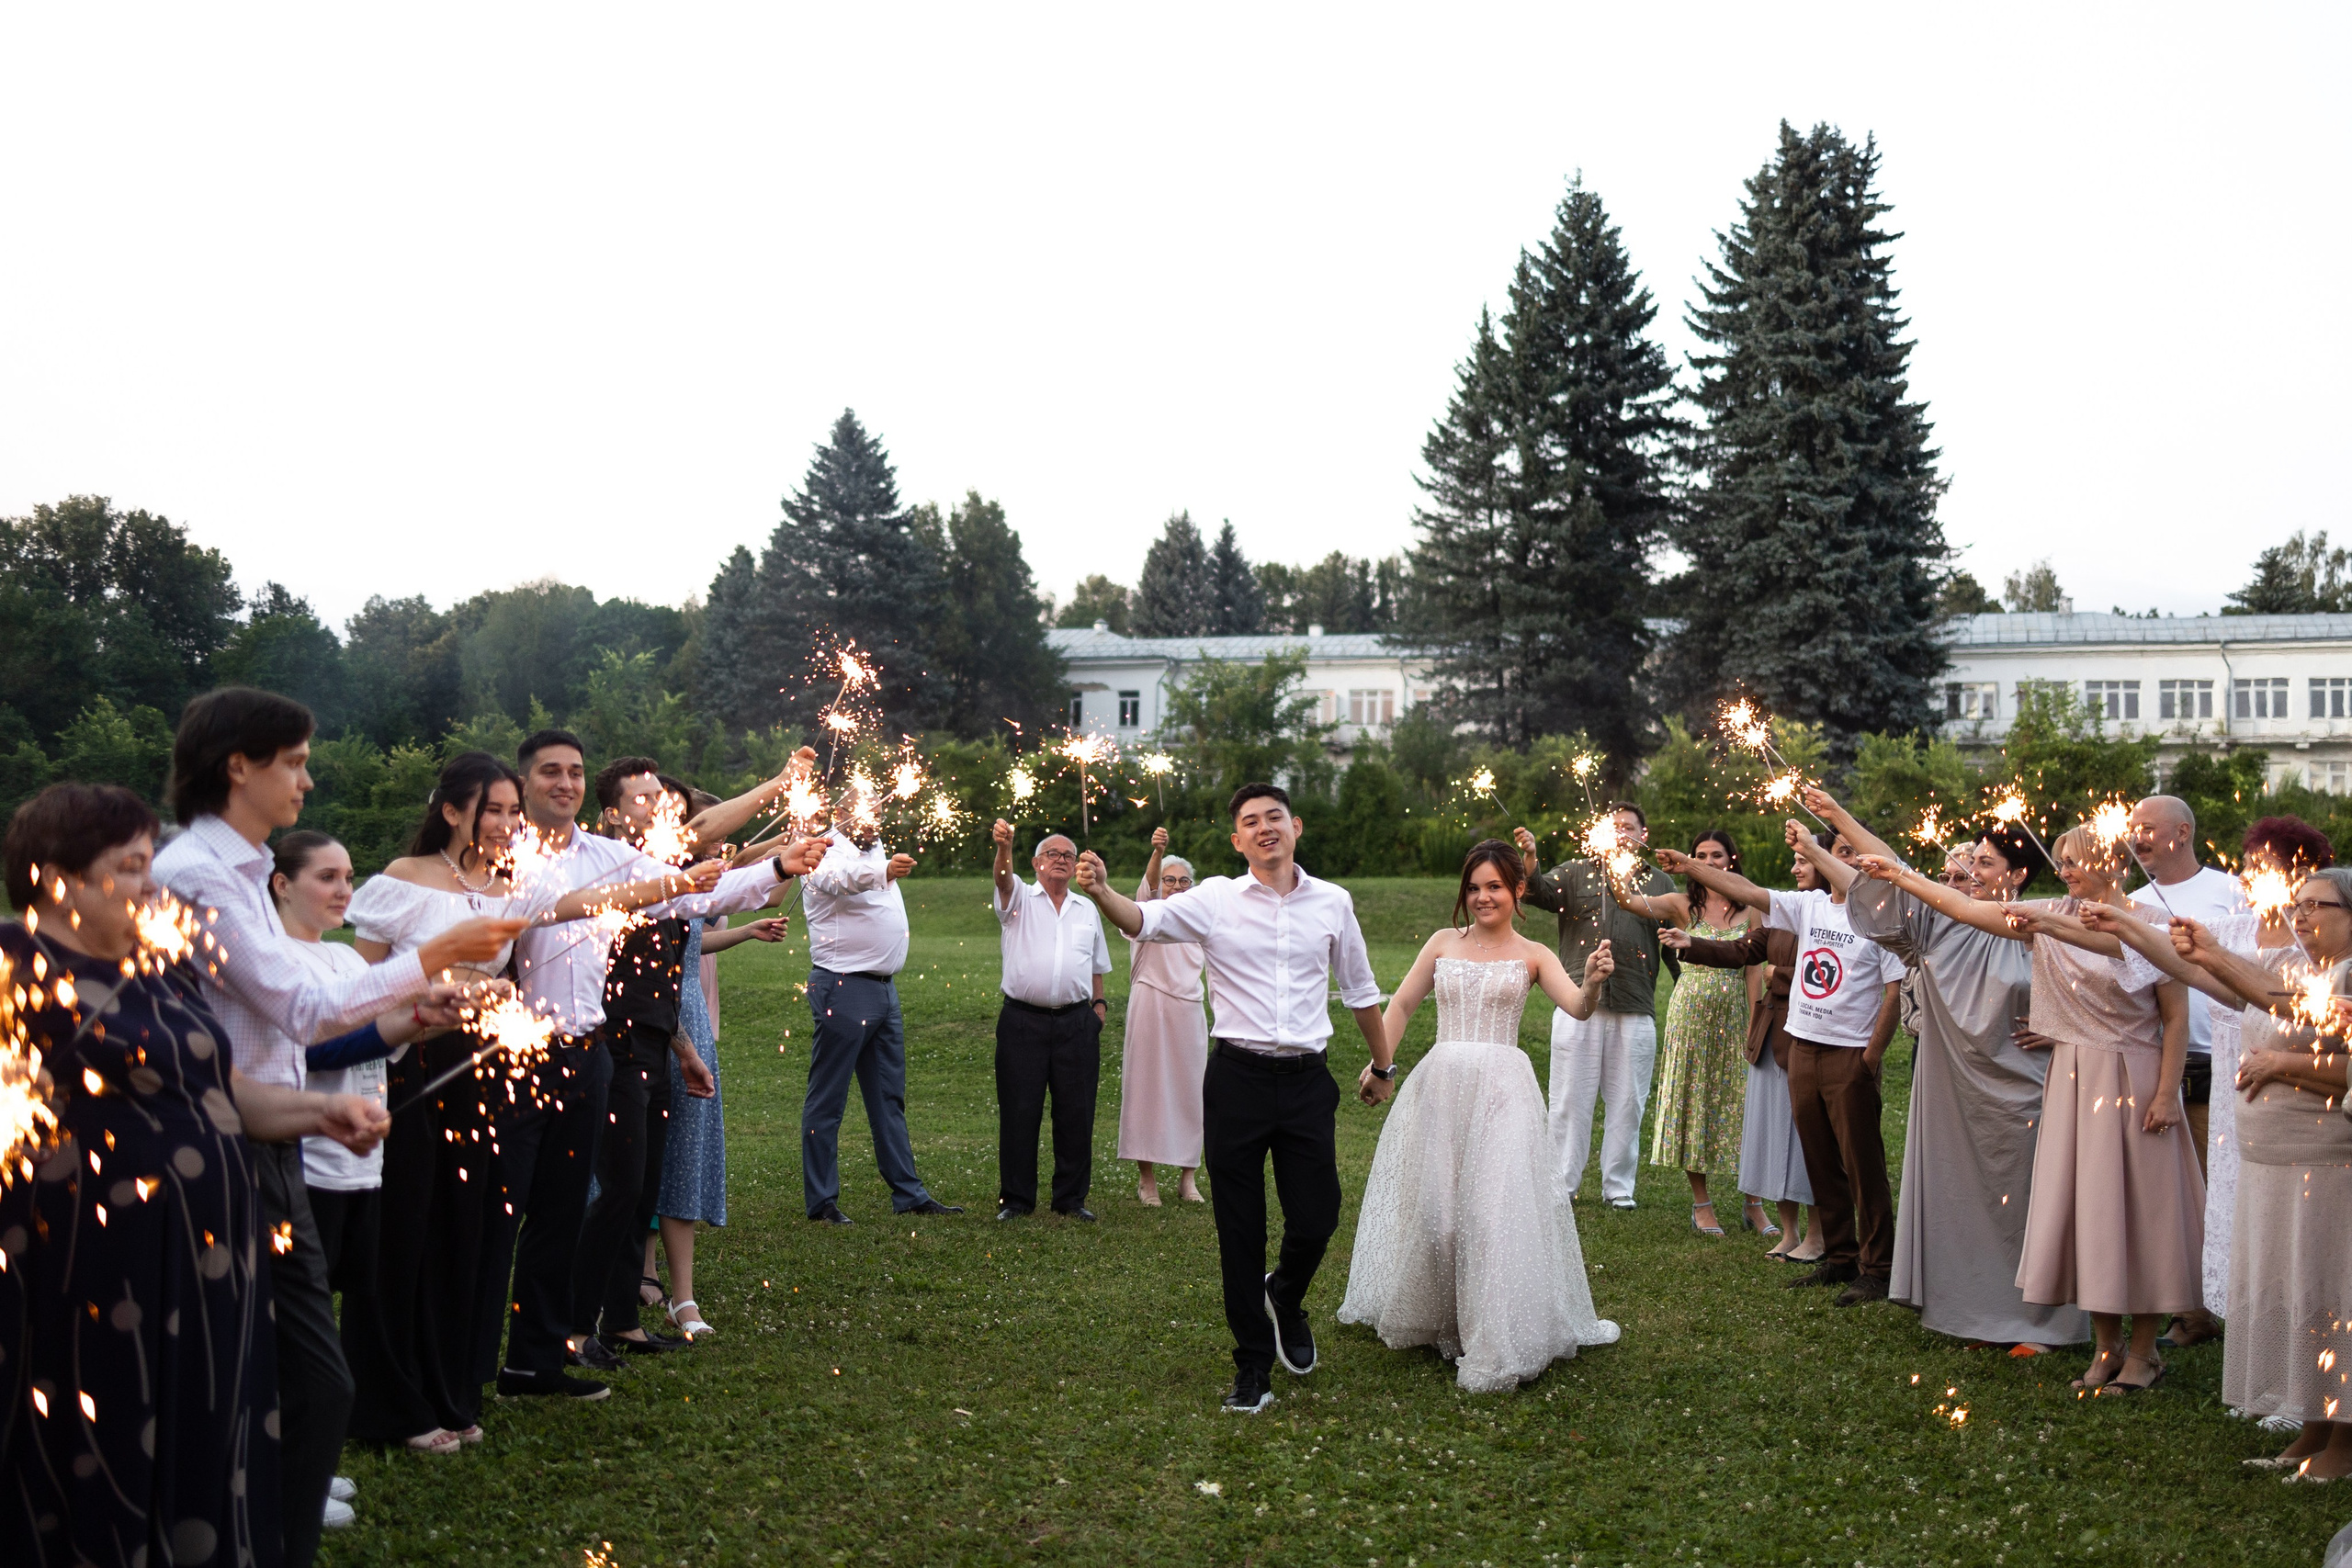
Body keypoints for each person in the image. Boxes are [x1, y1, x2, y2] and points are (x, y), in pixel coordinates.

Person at [152, 689, 516, 1567]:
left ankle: (260, 1527)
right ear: (239, 764)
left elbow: (306, 1010)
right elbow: (303, 1000)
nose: (308, 781)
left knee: (289, 1376)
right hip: (225, 1154)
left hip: (270, 1143)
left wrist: (414, 1000)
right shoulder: (197, 876)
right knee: (298, 1380)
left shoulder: (233, 871)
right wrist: (434, 956)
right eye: (297, 761)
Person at [2, 782, 389, 1568]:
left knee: (200, 1430)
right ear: (57, 879)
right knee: (101, 1442)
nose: (153, 883)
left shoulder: (156, 967)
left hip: (204, 1269)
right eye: (134, 866)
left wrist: (316, 1114)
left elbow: (217, 1089)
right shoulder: (16, 967)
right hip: (90, 1278)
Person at [350, 751, 712, 1434]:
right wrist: (423, 997)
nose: (507, 822)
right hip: (413, 1065)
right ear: (452, 811)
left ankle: (451, 1388)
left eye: (513, 811)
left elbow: (582, 902)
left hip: (481, 1071)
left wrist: (688, 876)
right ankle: (387, 1400)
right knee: (408, 1235)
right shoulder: (404, 878)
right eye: (495, 809)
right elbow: (357, 989)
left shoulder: (508, 883)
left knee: (468, 1232)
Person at [479, 731, 816, 1402]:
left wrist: (778, 870)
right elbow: (666, 879)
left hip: (589, 1051)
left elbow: (685, 900)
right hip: (517, 1053)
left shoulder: (606, 854)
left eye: (575, 770)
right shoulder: (509, 857)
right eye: (551, 771)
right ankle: (475, 1358)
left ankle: (538, 1358)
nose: (566, 782)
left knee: (565, 1210)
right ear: (523, 784)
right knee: (505, 1214)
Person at [1075, 783, 1389, 1416]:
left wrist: (1384, 1064)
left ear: (1295, 825)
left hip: (1306, 1082)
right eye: (1251, 821)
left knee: (1318, 1216)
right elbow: (1144, 921)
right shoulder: (1213, 897)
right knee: (1239, 1231)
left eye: (1275, 816)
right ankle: (1252, 1367)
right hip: (1237, 1081)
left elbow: (1359, 988)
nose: (1265, 827)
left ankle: (1287, 1293)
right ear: (1237, 839)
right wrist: (1102, 890)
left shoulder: (1333, 901)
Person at [1861, 822, 2201, 1394]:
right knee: (2084, 1212)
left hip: (2134, 1077)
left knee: (2139, 1217)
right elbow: (1969, 911)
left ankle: (2143, 1353)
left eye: (2079, 859)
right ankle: (2104, 1347)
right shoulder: (2051, 911)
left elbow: (2176, 1018)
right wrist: (1900, 875)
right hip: (2070, 1077)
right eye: (2062, 859)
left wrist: (2167, 1093)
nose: (2066, 869)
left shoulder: (2148, 926)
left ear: (2114, 865)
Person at [1803, 788, 2088, 1352]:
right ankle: (1974, 1313)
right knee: (1962, 1198)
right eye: (1970, 860)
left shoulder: (2047, 924)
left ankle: (2041, 1324)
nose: (1970, 870)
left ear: (2019, 875)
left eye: (1985, 862)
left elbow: (2102, 996)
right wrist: (1836, 817)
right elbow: (1895, 872)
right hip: (1953, 1088)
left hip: (2025, 1090)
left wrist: (2061, 1028)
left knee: (2028, 1201)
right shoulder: (1940, 923)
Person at [1337, 840, 1621, 1390]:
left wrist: (1590, 982)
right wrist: (1381, 1066)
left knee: (1492, 1217)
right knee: (1439, 1215)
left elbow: (1578, 1009)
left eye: (1494, 886)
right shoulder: (1444, 943)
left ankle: (1494, 1334)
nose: (1482, 897)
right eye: (1473, 887)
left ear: (1517, 890)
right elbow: (1399, 1006)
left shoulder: (1535, 954)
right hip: (1441, 1086)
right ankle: (1438, 1317)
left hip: (1503, 1094)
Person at [2106, 875, 2352, 1472]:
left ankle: (2344, 1446)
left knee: (2333, 1297)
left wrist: (2280, 1064)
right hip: (2274, 1165)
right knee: (2301, 1296)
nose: (2302, 914)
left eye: (2316, 905)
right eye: (2298, 904)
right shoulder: (2295, 970)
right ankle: (2314, 1430)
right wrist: (2127, 924)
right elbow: (2204, 972)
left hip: (2325, 1162)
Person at [268, 830, 457, 1516]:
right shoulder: (278, 964)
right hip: (310, 1163)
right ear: (282, 883)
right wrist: (401, 1020)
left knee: (325, 1316)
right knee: (295, 1336)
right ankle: (291, 1475)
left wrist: (436, 1016)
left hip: (361, 1167)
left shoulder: (346, 958)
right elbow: (315, 1051)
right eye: (327, 876)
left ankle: (308, 1459)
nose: (345, 889)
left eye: (349, 875)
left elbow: (384, 1036)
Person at [1662, 821, 1905, 1307]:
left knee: (1862, 1165)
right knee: (1819, 1158)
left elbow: (1894, 992)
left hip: (1849, 1054)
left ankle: (1878, 1269)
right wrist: (1690, 867)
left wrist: (1869, 1059)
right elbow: (1746, 891)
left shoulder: (1881, 917)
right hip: (1802, 1047)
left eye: (1856, 855)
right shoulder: (1809, 906)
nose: (1849, 861)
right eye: (1841, 852)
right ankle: (1839, 1257)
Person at [798, 790, 964, 1224]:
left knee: (888, 1096)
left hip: (884, 990)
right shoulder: (826, 849)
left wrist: (883, 865)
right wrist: (884, 871)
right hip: (843, 985)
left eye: (879, 810)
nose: (874, 818)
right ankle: (822, 1202)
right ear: (841, 814)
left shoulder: (873, 849)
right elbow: (839, 880)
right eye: (863, 811)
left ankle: (908, 1192)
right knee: (828, 1098)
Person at [2122, 794, 2248, 1351]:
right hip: (2164, 1060)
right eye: (2132, 828)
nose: (2137, 837)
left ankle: (2234, 1301)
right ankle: (2190, 1310)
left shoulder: (2229, 892)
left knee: (2224, 1185)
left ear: (2183, 831)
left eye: (2148, 827)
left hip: (2228, 1055)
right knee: (2179, 1188)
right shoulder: (2129, 902)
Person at [1512, 806, 1675, 1211]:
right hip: (1577, 1003)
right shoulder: (1575, 871)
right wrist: (1530, 859)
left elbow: (1674, 941)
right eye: (1614, 827)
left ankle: (1619, 1187)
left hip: (1636, 1004)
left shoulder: (1658, 881)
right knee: (1570, 1099)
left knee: (1629, 1101)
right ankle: (1562, 1184)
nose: (1621, 833)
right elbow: (1536, 893)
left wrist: (1692, 979)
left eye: (1629, 828)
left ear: (1644, 833)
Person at [1664, 853, 1823, 1264]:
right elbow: (1741, 951)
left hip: (1816, 1036)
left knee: (1811, 1137)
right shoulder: (1785, 913)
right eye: (1795, 861)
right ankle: (1790, 1234)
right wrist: (1692, 944)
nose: (1794, 868)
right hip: (1775, 1037)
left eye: (1804, 861)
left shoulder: (1833, 915)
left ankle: (1821, 1234)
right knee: (1777, 1134)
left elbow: (1823, 973)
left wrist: (1777, 976)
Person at [649, 897, 789, 1339]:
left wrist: (748, 930)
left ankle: (683, 1298)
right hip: (643, 1017)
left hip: (688, 1013)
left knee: (686, 1156)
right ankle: (612, 1290)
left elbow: (695, 941)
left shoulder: (692, 882)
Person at [1629, 829, 1763, 1237]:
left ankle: (1753, 1203)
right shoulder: (1681, 905)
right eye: (1701, 854)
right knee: (1694, 1102)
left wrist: (1756, 1024)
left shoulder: (1752, 907)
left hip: (1736, 1017)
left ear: (1732, 860)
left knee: (1744, 1106)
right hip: (1690, 1018)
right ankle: (1702, 1204)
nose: (1709, 861)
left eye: (1717, 855)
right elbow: (1629, 902)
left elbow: (1754, 969)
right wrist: (1616, 864)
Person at [989, 819, 1114, 1221]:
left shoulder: (1087, 908)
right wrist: (1004, 847)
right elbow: (1003, 880)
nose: (1060, 860)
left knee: (1076, 1113)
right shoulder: (1019, 898)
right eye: (1052, 854)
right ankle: (1017, 1200)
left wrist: (1098, 1008)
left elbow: (1096, 964)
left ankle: (1071, 1199)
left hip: (1077, 1024)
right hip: (1023, 1022)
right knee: (1019, 1112)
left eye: (1067, 855)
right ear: (1036, 862)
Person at [1120, 826, 1207, 1206]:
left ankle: (1188, 1177)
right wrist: (1157, 853)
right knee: (1146, 1091)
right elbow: (1147, 889)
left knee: (1193, 1092)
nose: (1175, 886)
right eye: (1170, 880)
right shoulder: (1146, 915)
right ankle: (1147, 1178)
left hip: (1189, 1009)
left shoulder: (1200, 924)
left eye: (1183, 881)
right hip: (1150, 1004)